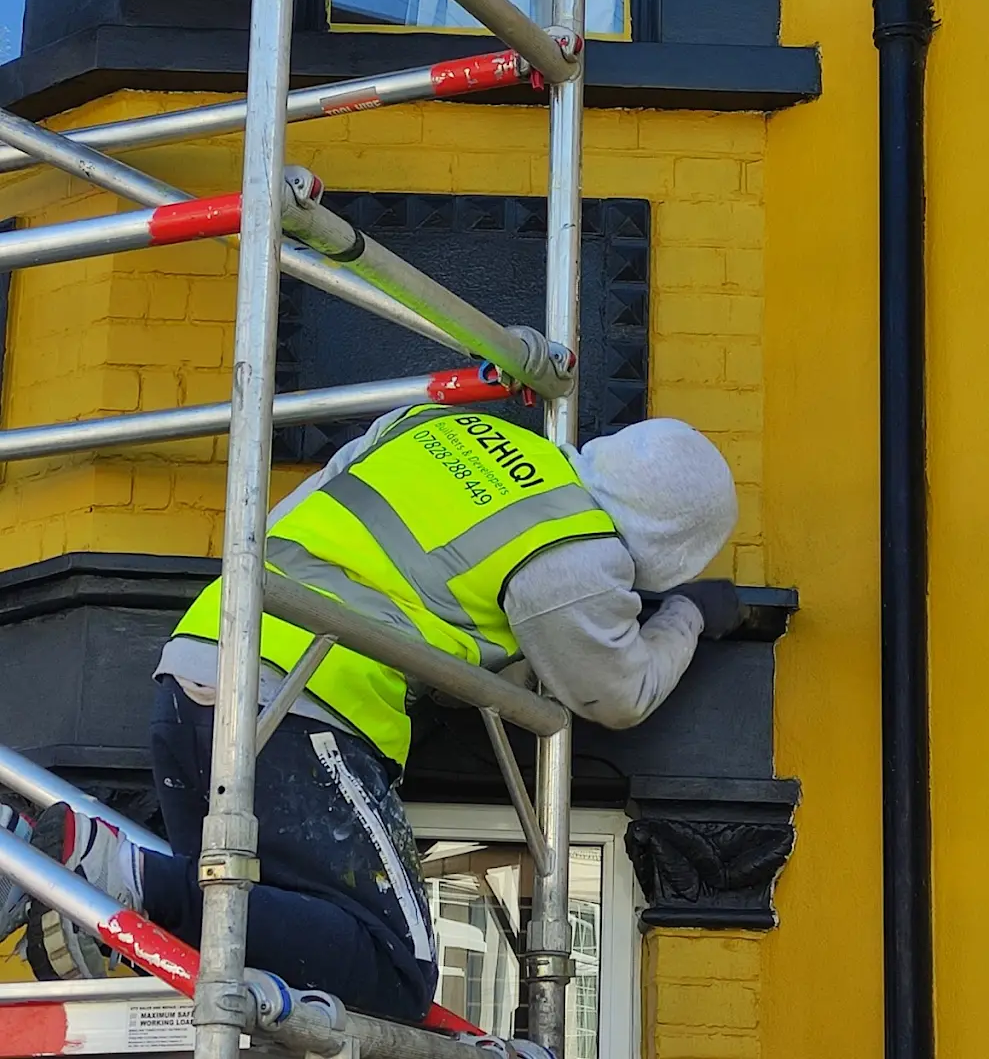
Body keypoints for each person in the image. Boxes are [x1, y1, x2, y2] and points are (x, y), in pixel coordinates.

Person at [3, 404, 738, 1021]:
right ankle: (114, 865)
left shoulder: (440, 424)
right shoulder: (570, 551)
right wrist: (686, 616)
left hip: (199, 665)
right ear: (669, 542)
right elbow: (616, 692)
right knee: (397, 968)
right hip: (301, 707)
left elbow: (346, 548)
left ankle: (89, 858)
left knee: (250, 925)